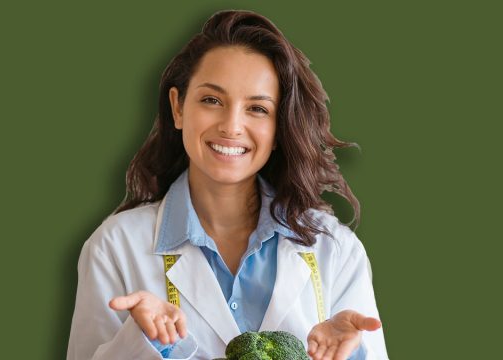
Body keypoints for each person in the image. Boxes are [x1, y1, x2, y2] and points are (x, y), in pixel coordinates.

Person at [67, 9, 389, 360]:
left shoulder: (335, 250)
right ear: (178, 107)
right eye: (212, 100)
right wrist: (144, 342)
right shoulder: (115, 247)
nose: (231, 126)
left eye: (258, 109)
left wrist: (348, 356)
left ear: (279, 127)